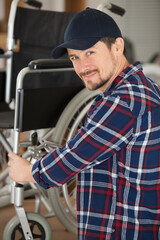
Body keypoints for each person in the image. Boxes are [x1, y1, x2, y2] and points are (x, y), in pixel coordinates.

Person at [8, 7, 160, 240]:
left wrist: (28, 172)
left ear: (117, 47)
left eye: (90, 52)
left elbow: (76, 154)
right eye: (74, 57)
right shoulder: (135, 89)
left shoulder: (126, 100)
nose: (82, 66)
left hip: (124, 230)